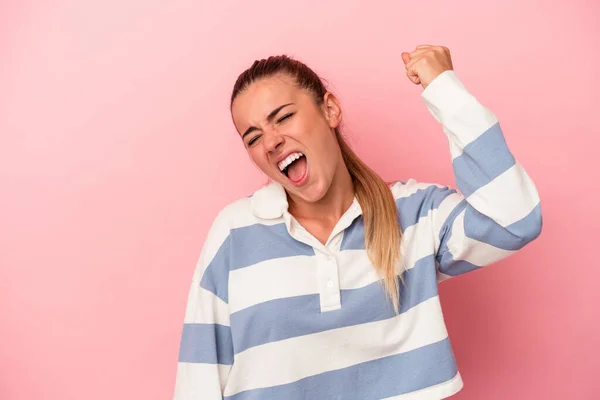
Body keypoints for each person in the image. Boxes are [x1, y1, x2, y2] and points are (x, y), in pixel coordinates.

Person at [173, 45, 542, 400]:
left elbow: (515, 221)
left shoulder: (413, 215)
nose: (270, 141)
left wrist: (445, 91)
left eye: (283, 117)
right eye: (253, 137)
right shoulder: (234, 234)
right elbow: (199, 379)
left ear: (330, 110)